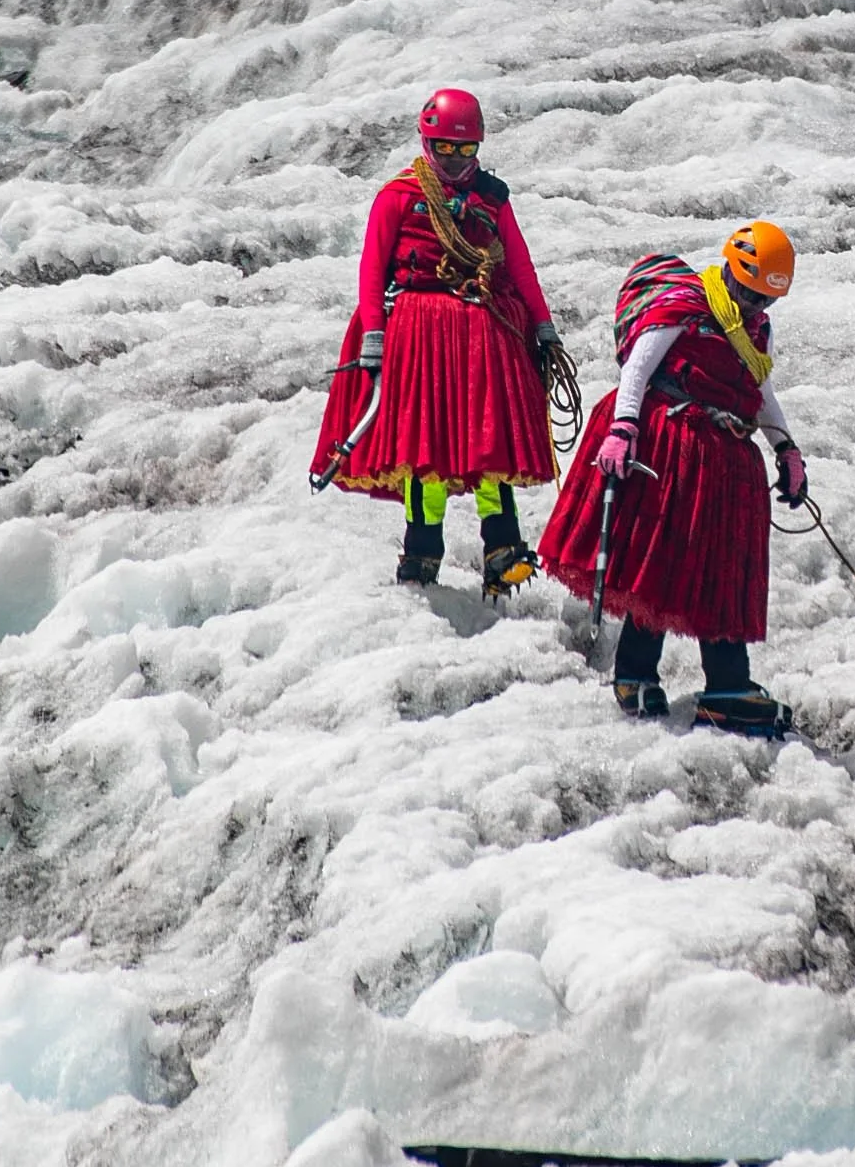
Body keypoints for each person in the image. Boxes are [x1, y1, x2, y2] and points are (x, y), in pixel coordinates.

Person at [540, 224, 806, 735]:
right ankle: (638, 674)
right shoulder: (684, 305)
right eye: (750, 293)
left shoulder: (754, 330)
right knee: (662, 560)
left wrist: (785, 448)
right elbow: (638, 370)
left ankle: (726, 684)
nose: (754, 305)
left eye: (765, 298)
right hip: (671, 443)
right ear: (731, 271)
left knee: (719, 569)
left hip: (722, 457)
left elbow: (760, 388)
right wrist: (623, 428)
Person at [309, 88, 571, 594]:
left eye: (465, 150)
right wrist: (373, 335)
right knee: (423, 447)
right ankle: (422, 551)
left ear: (479, 146)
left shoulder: (492, 198)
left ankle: (503, 548)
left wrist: (542, 323)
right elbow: (372, 270)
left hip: (481, 333)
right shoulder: (398, 196)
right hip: (419, 335)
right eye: (445, 149)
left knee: (488, 442)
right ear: (426, 141)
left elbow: (517, 264)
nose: (454, 160)